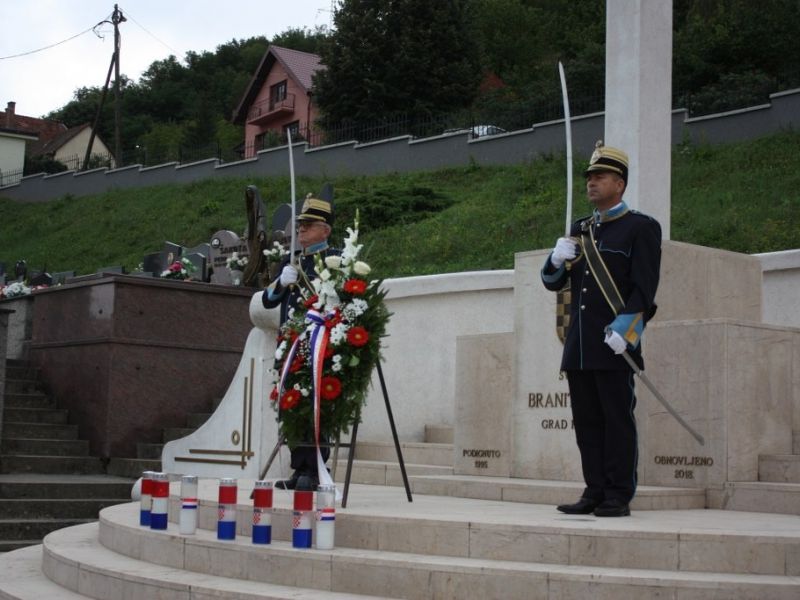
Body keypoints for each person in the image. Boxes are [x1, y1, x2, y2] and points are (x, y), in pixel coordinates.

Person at [541, 142, 661, 517]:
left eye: (600, 177)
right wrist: (555, 259)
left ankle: (618, 493)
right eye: (590, 177)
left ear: (619, 184)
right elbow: (553, 282)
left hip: (613, 344)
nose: (592, 183)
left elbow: (644, 289)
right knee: (587, 423)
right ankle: (593, 490)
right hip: (579, 345)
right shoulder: (580, 229)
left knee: (616, 420)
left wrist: (624, 331)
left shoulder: (641, 228)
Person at [262, 188, 339, 489]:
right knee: (290, 405)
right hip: (290, 345)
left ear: (325, 229)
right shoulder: (291, 261)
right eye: (300, 225)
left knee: (314, 406)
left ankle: (316, 468)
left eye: (308, 225)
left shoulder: (333, 260)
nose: (301, 229)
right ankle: (298, 468)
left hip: (318, 347)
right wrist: (280, 283)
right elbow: (269, 300)